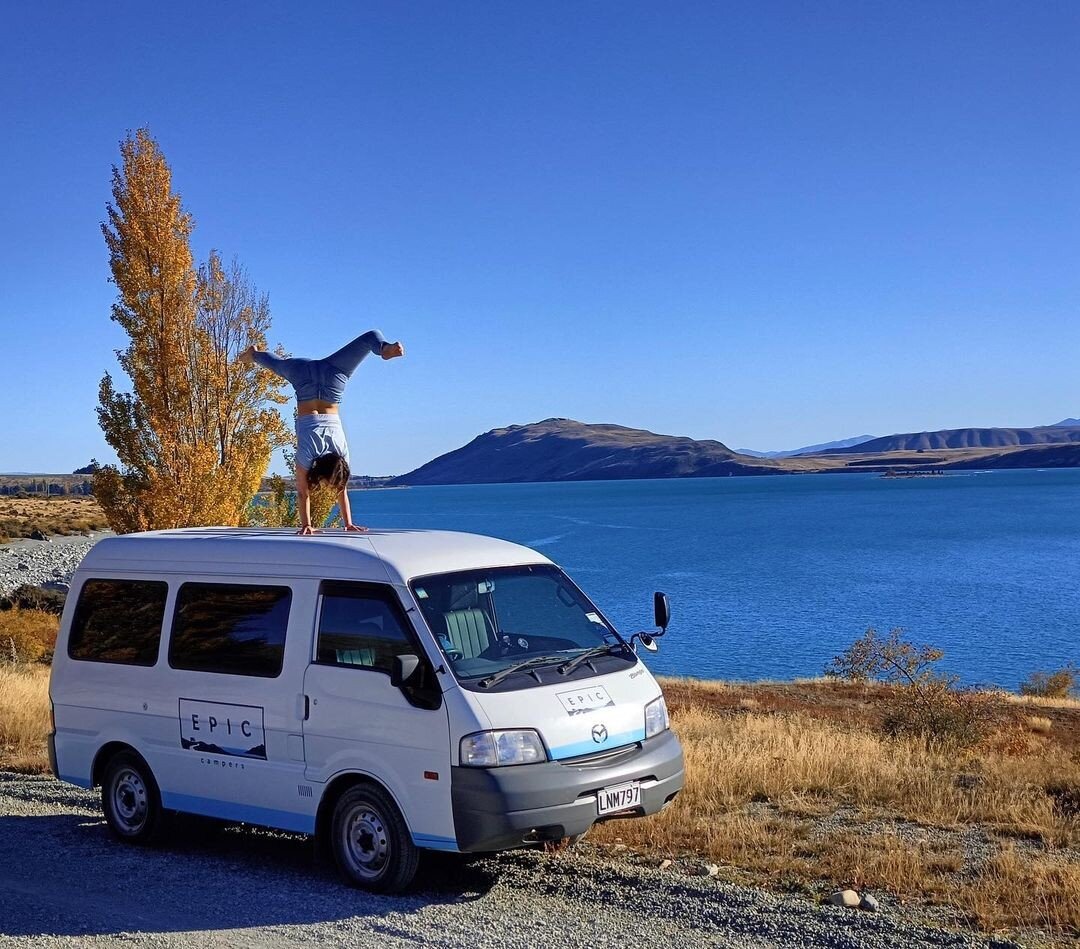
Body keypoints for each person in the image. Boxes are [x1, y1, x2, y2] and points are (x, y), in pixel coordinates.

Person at [240, 330, 405, 535]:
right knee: (278, 365)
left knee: (370, 336)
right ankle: (254, 354)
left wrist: (348, 522)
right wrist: (306, 524)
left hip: (333, 378)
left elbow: (341, 489)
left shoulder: (341, 454)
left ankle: (384, 349)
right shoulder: (307, 455)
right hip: (303, 377)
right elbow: (302, 494)